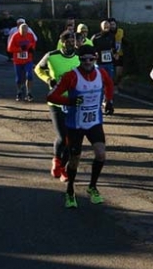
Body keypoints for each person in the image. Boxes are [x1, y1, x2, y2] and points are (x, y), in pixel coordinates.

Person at [46, 45, 115, 209]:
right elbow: (51, 96)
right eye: (84, 60)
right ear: (79, 59)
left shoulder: (101, 73)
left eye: (91, 59)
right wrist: (69, 101)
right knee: (74, 160)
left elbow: (110, 85)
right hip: (75, 125)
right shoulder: (71, 76)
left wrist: (109, 101)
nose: (88, 62)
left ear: (95, 59)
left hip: (94, 123)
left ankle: (92, 187)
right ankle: (70, 191)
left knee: (101, 154)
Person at [36, 31, 82, 182]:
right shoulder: (52, 55)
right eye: (68, 41)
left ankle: (63, 168)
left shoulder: (79, 58)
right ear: (62, 42)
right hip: (56, 102)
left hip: (73, 103)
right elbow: (38, 69)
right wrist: (48, 79)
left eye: (73, 40)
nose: (71, 43)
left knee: (71, 139)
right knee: (62, 137)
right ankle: (56, 160)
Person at [91, 20, 117, 114]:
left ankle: (108, 101)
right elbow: (91, 49)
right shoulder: (96, 37)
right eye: (105, 26)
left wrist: (114, 54)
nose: (107, 27)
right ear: (101, 27)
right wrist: (95, 54)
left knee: (109, 83)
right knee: (100, 84)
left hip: (109, 62)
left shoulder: (111, 36)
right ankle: (99, 102)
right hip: (99, 63)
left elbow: (113, 48)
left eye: (108, 26)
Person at [8, 22, 38, 102]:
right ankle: (19, 92)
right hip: (18, 61)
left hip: (28, 60)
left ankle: (29, 93)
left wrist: (32, 48)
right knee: (19, 78)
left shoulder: (30, 35)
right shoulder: (15, 36)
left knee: (29, 75)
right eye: (22, 32)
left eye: (25, 32)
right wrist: (19, 49)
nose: (24, 34)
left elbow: (33, 43)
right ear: (19, 30)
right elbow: (9, 48)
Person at [109, 18, 126, 88]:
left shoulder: (120, 31)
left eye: (113, 24)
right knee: (111, 73)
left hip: (120, 54)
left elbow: (124, 40)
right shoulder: (108, 33)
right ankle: (112, 86)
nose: (112, 26)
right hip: (110, 55)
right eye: (111, 25)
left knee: (119, 73)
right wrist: (114, 53)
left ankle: (116, 84)